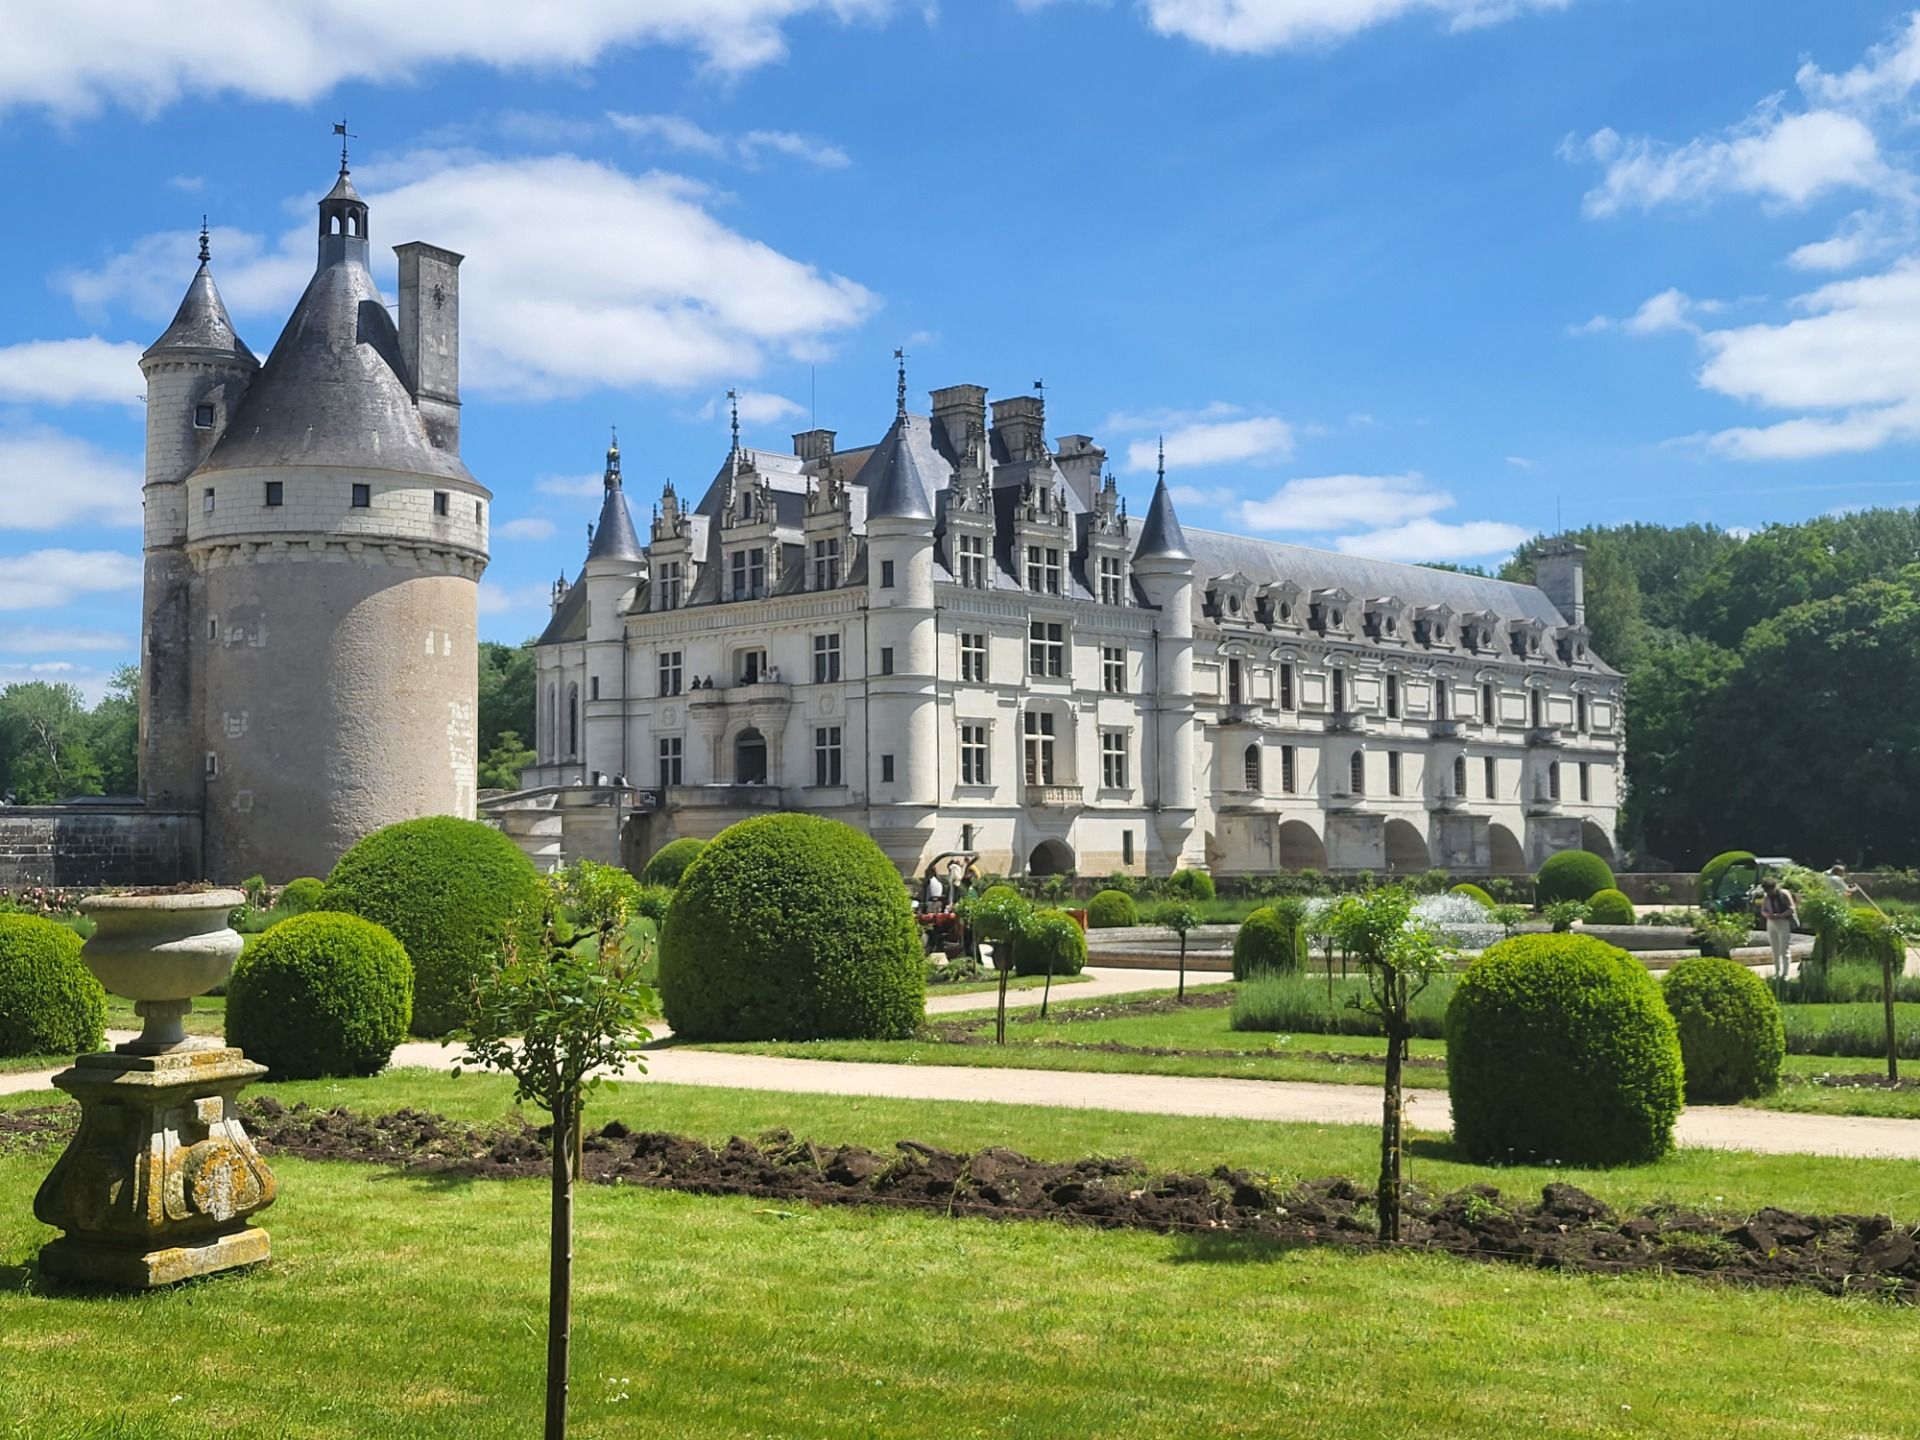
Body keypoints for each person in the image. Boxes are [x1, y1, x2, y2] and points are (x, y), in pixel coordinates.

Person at [1758, 877, 1797, 983]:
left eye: (1770, 889)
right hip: (1771, 922)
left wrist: (1779, 915)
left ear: (1774, 887)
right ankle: (1777, 972)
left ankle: (1785, 974)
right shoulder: (1766, 896)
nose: (1768, 892)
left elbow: (1791, 909)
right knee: (1774, 949)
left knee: (1784, 949)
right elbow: (1763, 910)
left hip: (1783, 922)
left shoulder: (1784, 894)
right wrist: (1767, 915)